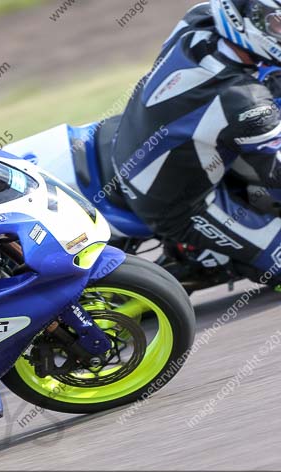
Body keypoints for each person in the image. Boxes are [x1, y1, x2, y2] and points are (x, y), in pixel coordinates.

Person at [110, 0, 281, 282]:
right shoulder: (246, 102)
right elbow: (275, 171)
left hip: (132, 137)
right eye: (277, 23)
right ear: (240, 20)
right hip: (176, 203)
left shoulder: (199, 18)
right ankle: (205, 261)